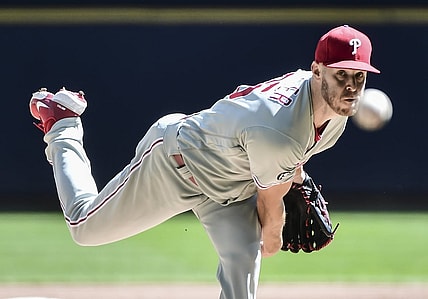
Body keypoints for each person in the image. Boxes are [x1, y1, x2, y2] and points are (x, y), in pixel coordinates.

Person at [29, 25, 379, 298]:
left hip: (234, 183)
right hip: (177, 166)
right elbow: (271, 201)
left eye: (358, 77)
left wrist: (294, 178)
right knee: (84, 229)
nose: (351, 87)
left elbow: (291, 155)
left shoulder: (335, 111)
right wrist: (271, 238)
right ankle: (62, 125)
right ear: (316, 71)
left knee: (242, 266)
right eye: (341, 75)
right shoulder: (277, 128)